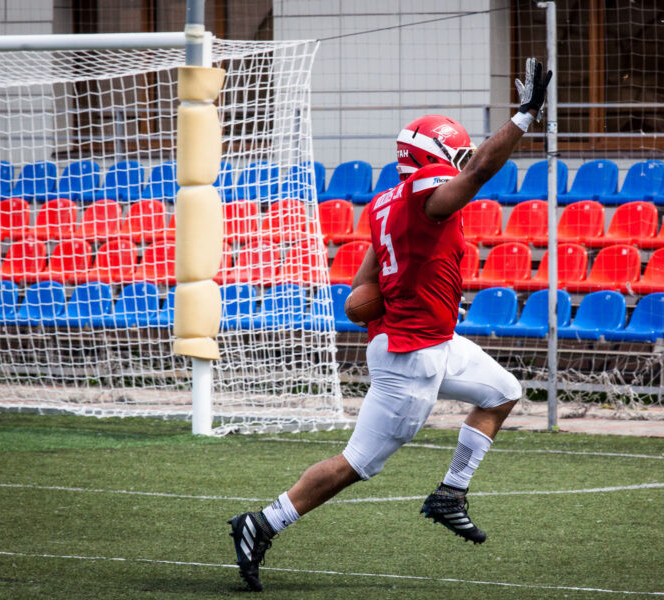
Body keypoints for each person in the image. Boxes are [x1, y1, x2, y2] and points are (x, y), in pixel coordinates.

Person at [228, 58, 552, 592]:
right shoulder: (427, 200)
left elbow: (360, 292)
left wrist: (405, 293)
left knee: (502, 392)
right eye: (455, 155)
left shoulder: (383, 202)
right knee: (357, 464)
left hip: (432, 340)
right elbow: (477, 172)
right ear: (434, 157)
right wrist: (523, 117)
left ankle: (450, 493)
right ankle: (262, 523)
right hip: (410, 355)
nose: (462, 164)